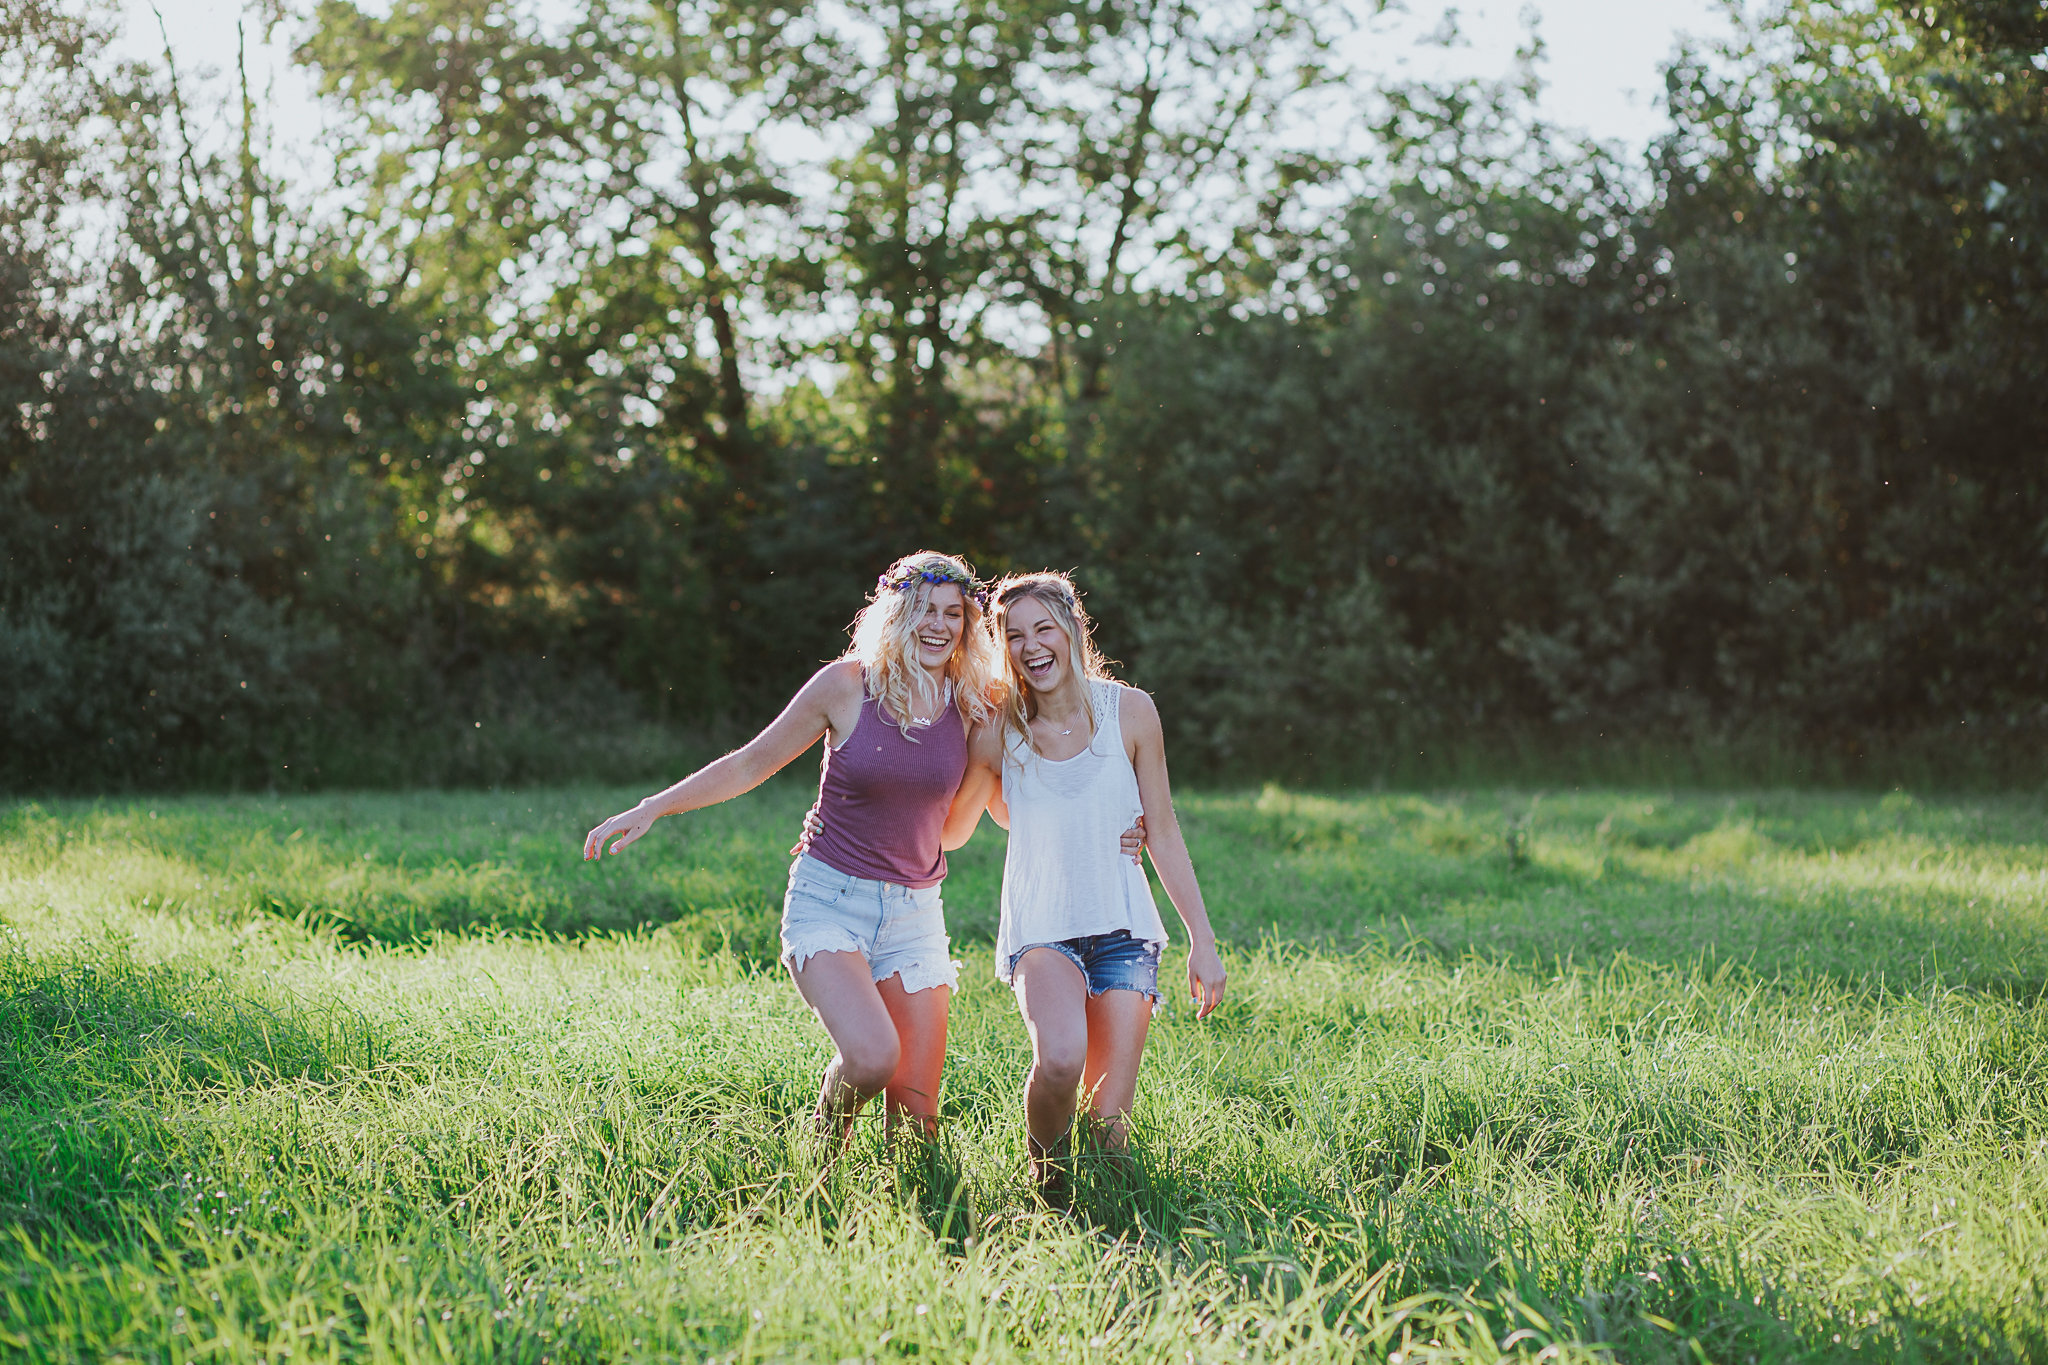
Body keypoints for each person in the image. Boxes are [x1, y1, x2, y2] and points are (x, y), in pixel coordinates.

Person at [582, 551, 1000, 1141]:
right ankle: (821, 1163)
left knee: (917, 1116)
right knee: (872, 1057)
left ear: (967, 624)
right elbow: (752, 762)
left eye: (952, 614)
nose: (938, 624)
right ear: (894, 613)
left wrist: (1121, 819)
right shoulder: (847, 686)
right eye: (923, 609)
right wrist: (654, 807)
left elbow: (1025, 768)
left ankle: (913, 1223)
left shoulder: (973, 701)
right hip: (830, 900)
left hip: (915, 914)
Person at [950, 570, 1227, 1191]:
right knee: (1059, 1061)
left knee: (1109, 1136)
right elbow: (964, 822)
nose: (1030, 646)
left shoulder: (1131, 711)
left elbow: (1162, 827)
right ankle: (1045, 1185)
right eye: (1013, 635)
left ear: (1073, 629)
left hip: (1125, 930)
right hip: (1044, 930)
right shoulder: (1001, 725)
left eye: (1043, 628)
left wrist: (1201, 940)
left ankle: (1104, 1215)